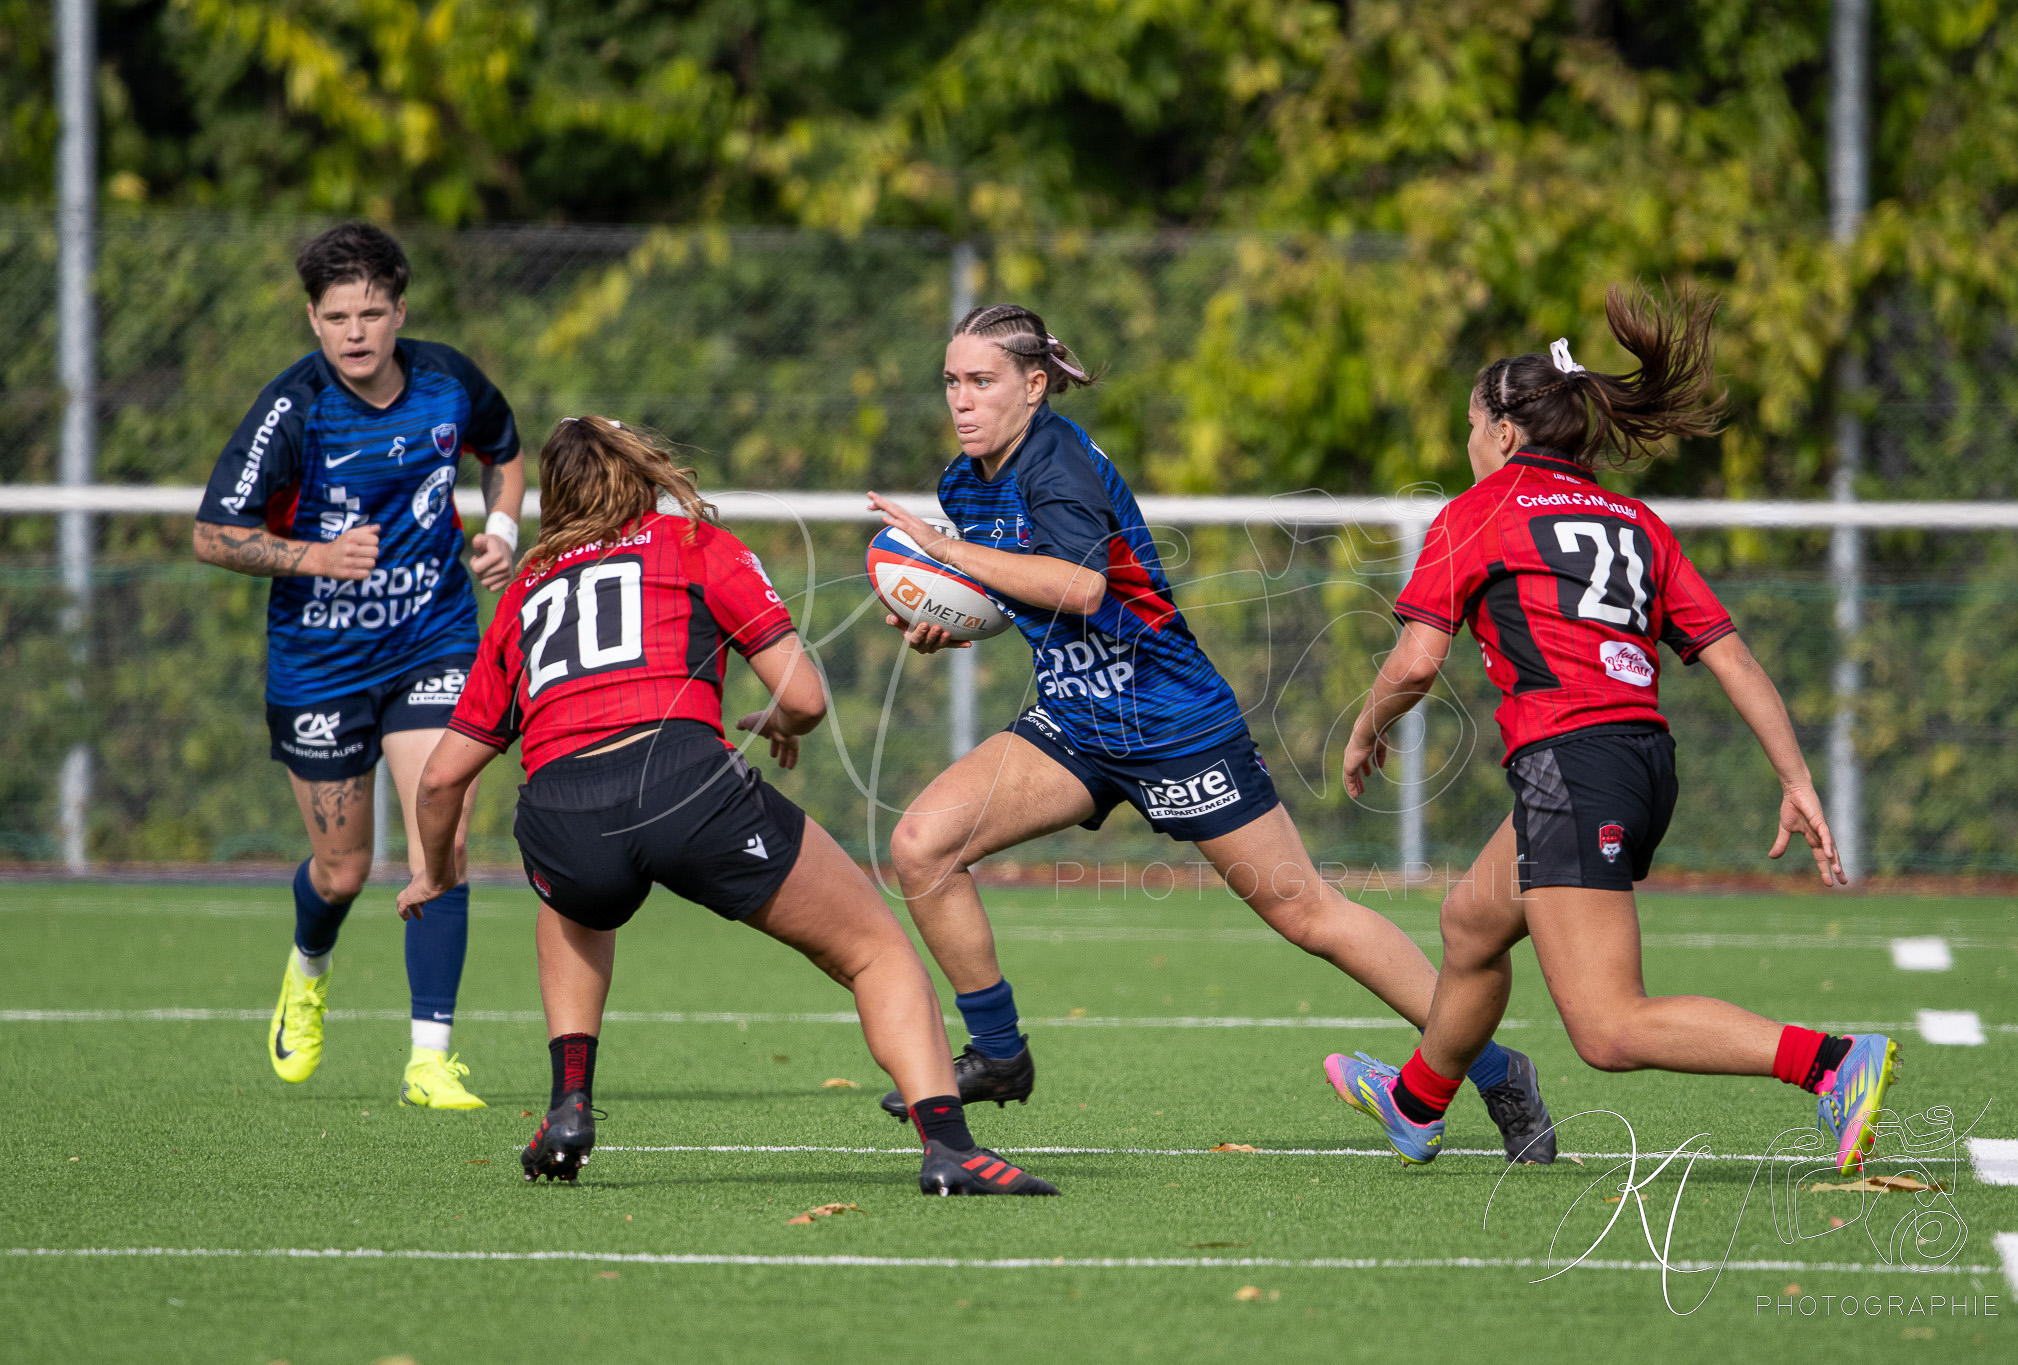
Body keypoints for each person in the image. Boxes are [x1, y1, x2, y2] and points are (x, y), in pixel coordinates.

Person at [867, 304, 1557, 1164]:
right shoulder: (965, 482)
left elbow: (1080, 587)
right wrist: (955, 618)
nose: (961, 400)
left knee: (1308, 913)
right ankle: (999, 1052)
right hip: (1075, 720)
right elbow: (1022, 586)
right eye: (951, 381)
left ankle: (1494, 1068)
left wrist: (946, 556)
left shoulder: (1056, 464)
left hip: (1172, 720)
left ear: (1034, 386)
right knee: (923, 845)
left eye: (982, 380)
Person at [397, 417, 1056, 1195]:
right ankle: (949, 1147)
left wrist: (433, 872)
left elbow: (440, 779)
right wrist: (780, 721)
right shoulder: (694, 543)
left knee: (570, 896)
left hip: (561, 809)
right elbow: (804, 698)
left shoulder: (524, 593)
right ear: (644, 472)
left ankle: (569, 1105)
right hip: (682, 780)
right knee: (876, 952)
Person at [1330, 286, 1897, 1173]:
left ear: (1504, 433)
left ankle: (1830, 1062)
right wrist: (1796, 778)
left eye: (1470, 426)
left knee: (1608, 1027)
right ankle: (1417, 1101)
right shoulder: (1635, 520)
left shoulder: (1478, 511)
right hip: (1639, 762)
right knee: (1471, 924)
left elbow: (1413, 662)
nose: (1468, 443)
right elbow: (1734, 658)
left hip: (1573, 765)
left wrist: (1366, 729)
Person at [193, 222, 526, 1109]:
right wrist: (316, 557)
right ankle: (309, 964)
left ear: (399, 311)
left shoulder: (447, 380)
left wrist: (501, 530)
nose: (355, 332)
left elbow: (505, 449)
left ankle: (430, 1058)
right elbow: (213, 533)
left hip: (433, 640)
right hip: (322, 665)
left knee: (444, 836)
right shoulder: (293, 411)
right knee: (343, 871)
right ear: (312, 318)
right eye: (337, 316)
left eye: (371, 313)